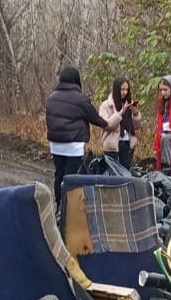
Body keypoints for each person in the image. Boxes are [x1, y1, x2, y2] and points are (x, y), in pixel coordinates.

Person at [45, 67, 121, 204]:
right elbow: (95, 118)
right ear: (76, 80)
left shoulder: (51, 98)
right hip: (73, 145)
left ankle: (58, 205)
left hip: (55, 144)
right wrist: (107, 124)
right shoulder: (80, 99)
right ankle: (67, 208)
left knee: (59, 174)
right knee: (71, 177)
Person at [99, 76, 142, 170]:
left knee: (125, 172)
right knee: (113, 173)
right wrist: (120, 113)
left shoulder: (128, 103)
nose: (125, 92)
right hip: (112, 144)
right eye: (122, 89)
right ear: (116, 89)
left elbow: (136, 126)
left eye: (127, 89)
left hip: (127, 142)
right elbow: (106, 124)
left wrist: (135, 114)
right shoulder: (106, 105)